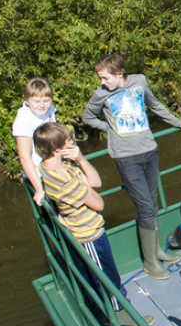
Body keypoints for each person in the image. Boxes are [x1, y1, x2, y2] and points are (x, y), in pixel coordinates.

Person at [82, 52, 181, 280]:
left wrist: (176, 122)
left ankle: (158, 250)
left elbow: (154, 105)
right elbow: (87, 117)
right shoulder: (100, 94)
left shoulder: (139, 81)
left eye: (105, 78)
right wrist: (110, 128)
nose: (102, 82)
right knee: (145, 207)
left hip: (148, 150)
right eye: (100, 78)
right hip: (126, 157)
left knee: (153, 203)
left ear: (119, 74)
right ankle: (150, 262)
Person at [33, 122, 124, 305]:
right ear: (57, 148)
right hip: (88, 234)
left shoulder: (54, 165)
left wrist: (80, 159)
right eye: (68, 140)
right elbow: (99, 204)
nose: (72, 142)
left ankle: (115, 305)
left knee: (108, 274)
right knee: (106, 279)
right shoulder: (63, 180)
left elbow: (95, 182)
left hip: (88, 228)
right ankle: (118, 312)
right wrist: (84, 184)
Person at [13, 77, 57, 205]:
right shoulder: (24, 120)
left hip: (54, 168)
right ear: (27, 101)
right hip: (39, 175)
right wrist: (39, 189)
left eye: (46, 100)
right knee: (52, 218)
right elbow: (25, 157)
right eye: (36, 101)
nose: (42, 105)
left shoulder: (50, 109)